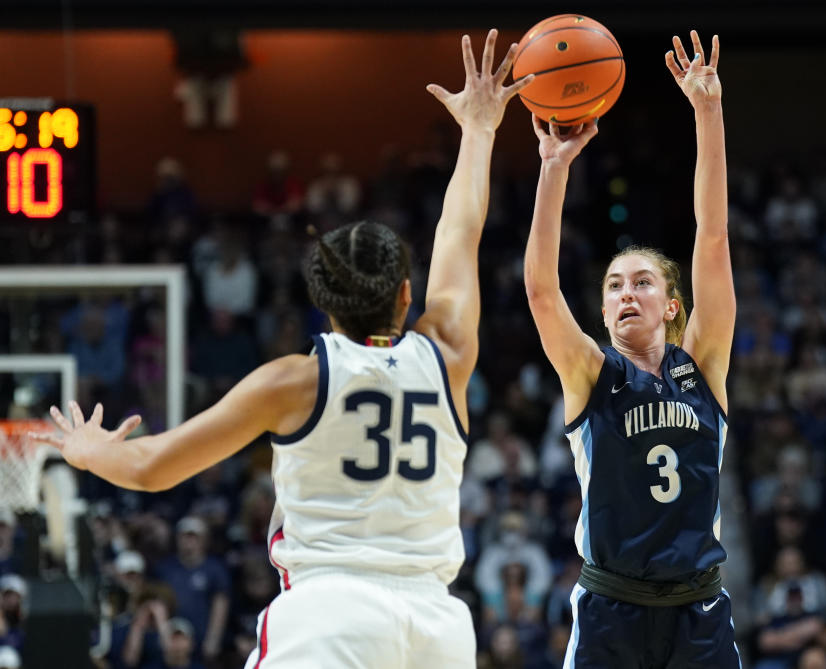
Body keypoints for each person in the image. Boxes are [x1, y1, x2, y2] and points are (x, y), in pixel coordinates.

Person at [33, 29, 533, 669]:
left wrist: (86, 450)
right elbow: (460, 231)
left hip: (330, 616)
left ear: (323, 305)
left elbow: (151, 469)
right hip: (438, 625)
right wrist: (480, 130)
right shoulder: (450, 354)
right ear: (408, 295)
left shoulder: (295, 381)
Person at [523, 31, 740, 667]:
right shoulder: (591, 372)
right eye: (614, 285)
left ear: (673, 305)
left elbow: (715, 238)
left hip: (697, 609)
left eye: (642, 283)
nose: (626, 294)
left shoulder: (703, 364)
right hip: (611, 609)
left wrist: (708, 113)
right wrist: (553, 168)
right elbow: (540, 289)